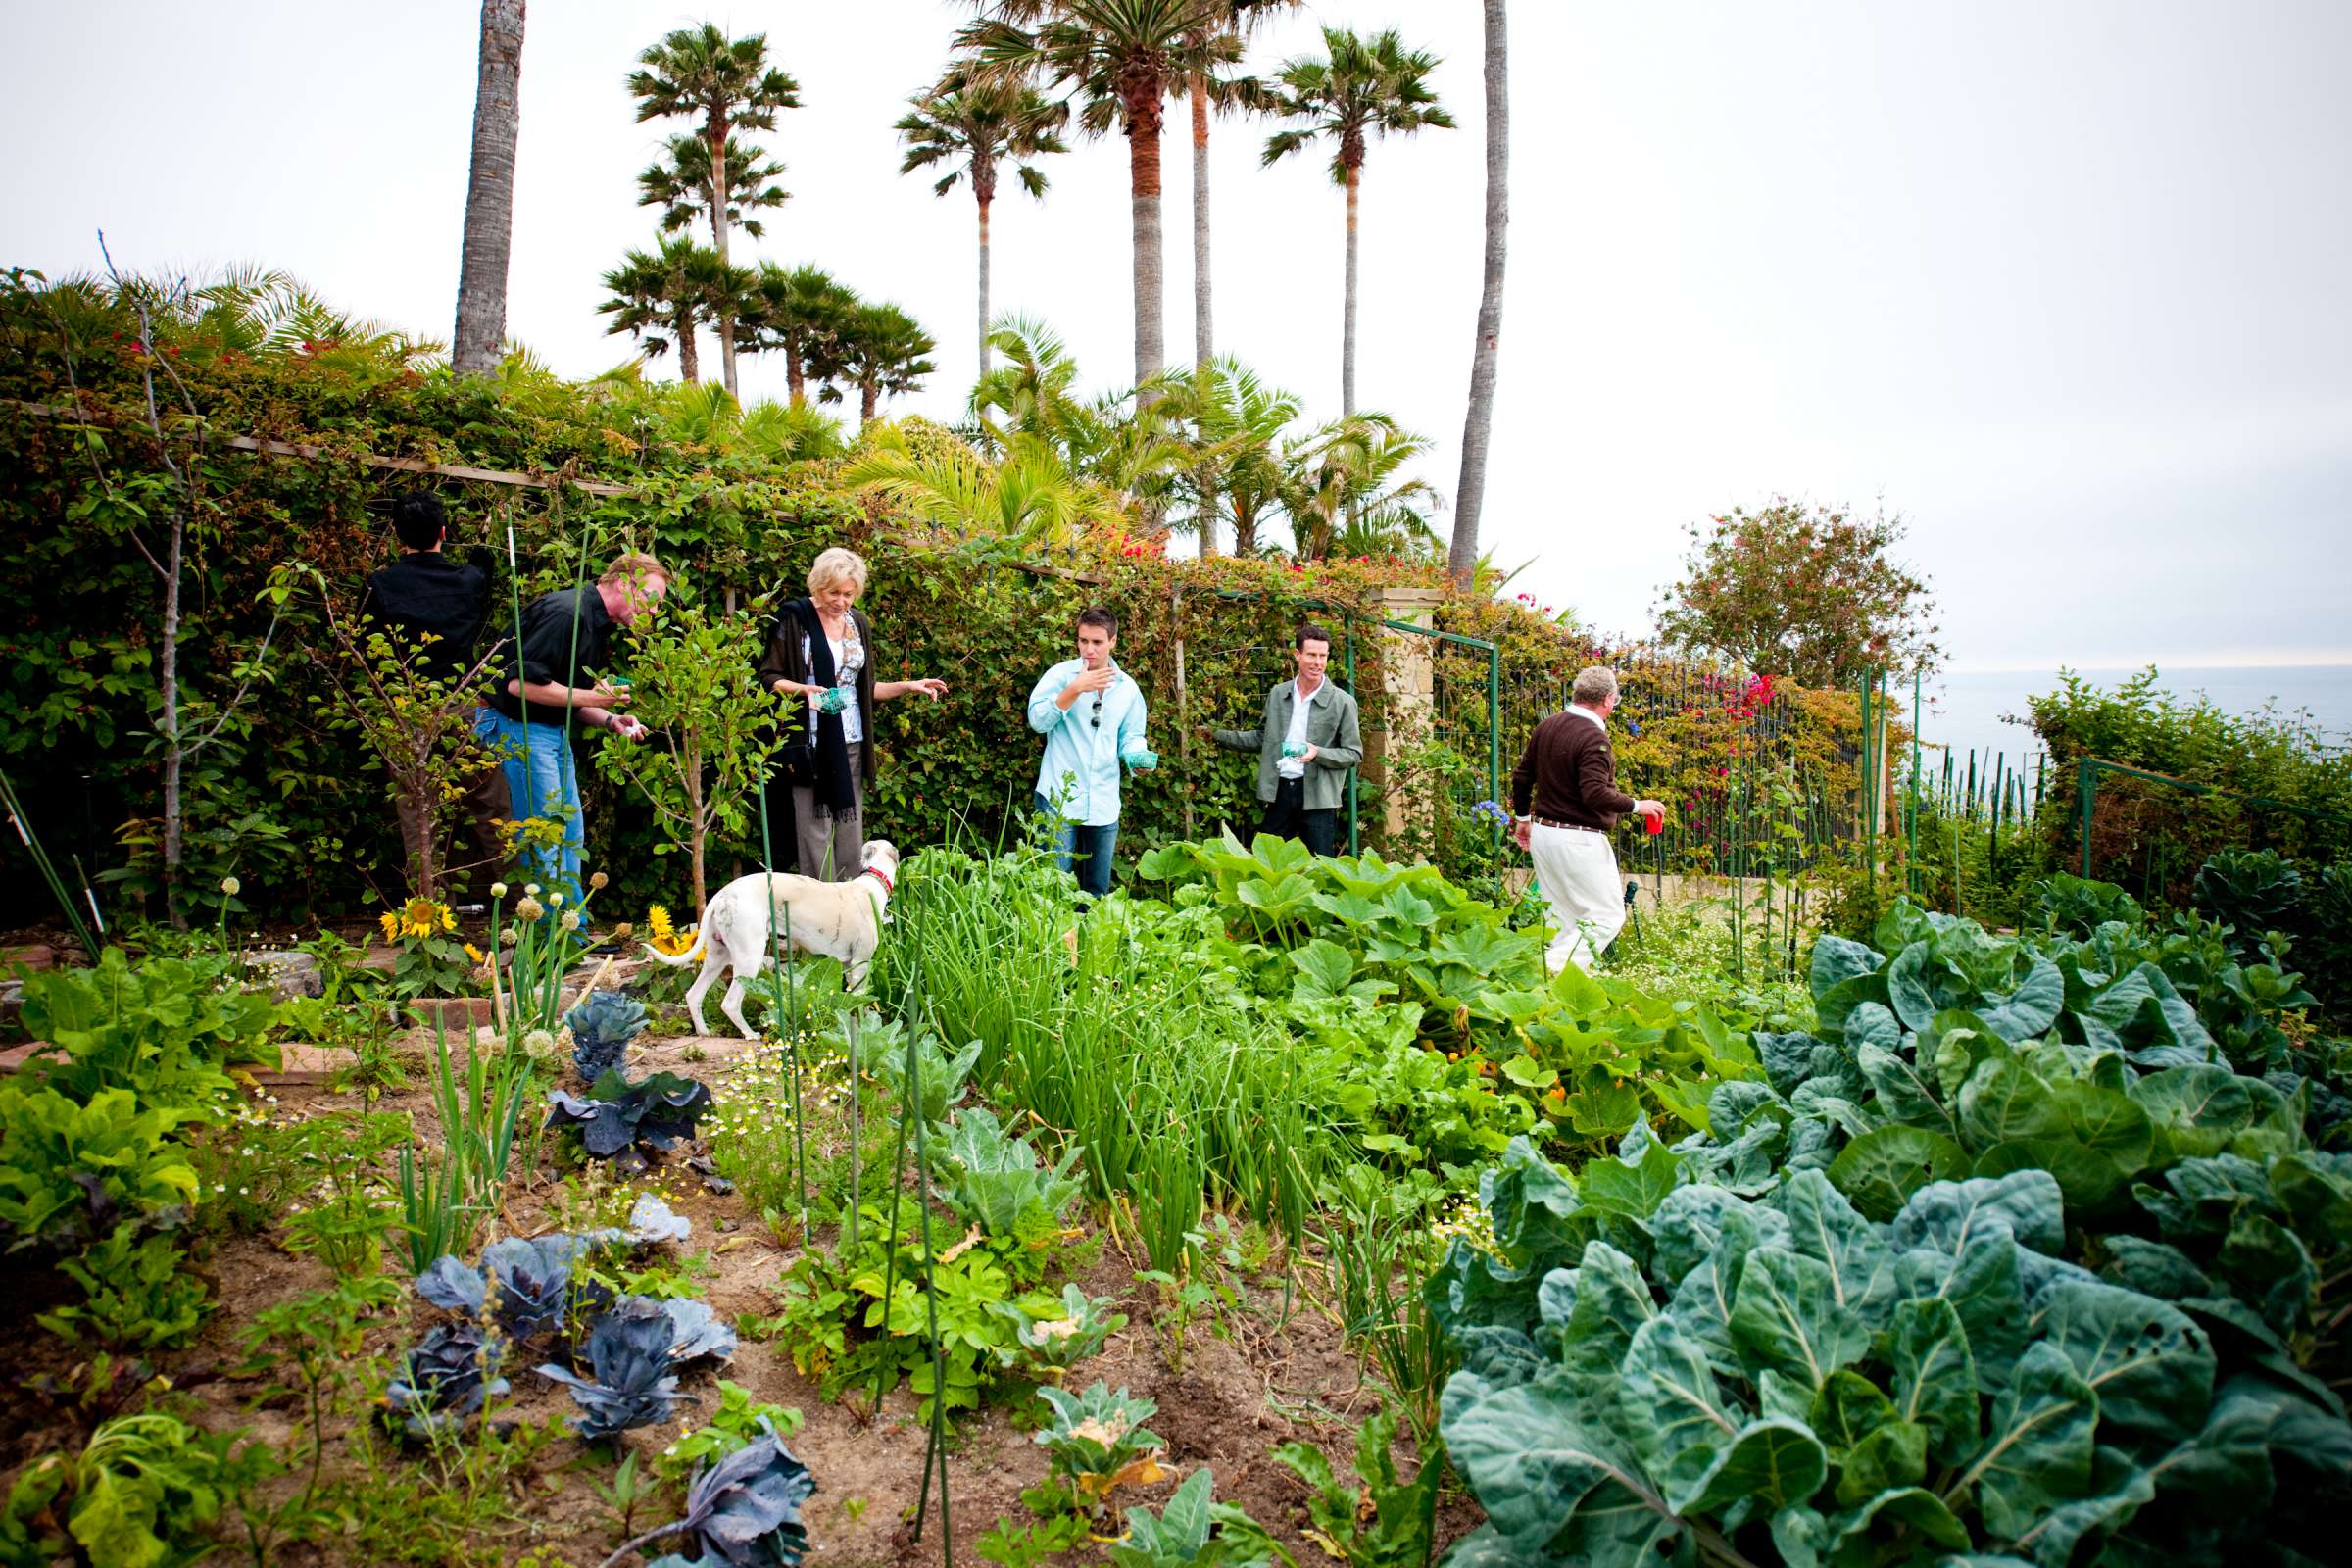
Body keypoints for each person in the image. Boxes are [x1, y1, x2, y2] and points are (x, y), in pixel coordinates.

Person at [481, 551, 667, 903]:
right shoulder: (567, 614)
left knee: (570, 837)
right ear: (624, 583)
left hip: (551, 731)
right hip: (520, 728)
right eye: (651, 600)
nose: (654, 612)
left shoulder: (596, 624)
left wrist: (610, 719)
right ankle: (546, 941)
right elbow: (519, 686)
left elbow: (568, 696)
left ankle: (570, 934)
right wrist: (597, 699)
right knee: (545, 837)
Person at [757, 547, 948, 880]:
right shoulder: (795, 618)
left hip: (851, 739)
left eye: (848, 594)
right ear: (818, 586)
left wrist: (910, 685)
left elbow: (864, 689)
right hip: (809, 740)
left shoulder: (857, 622)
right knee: (814, 830)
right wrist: (804, 690)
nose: (841, 601)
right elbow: (768, 677)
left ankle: (847, 906)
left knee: (850, 825)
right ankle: (816, 908)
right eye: (834, 593)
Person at [357, 491, 510, 897]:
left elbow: (366, 647)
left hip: (407, 707)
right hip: (462, 704)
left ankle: (430, 905)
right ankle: (516, 898)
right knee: (491, 801)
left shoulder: (381, 585)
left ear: (396, 536)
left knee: (418, 809)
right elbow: (484, 563)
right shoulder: (469, 580)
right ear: (444, 532)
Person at [1508, 665, 1666, 973]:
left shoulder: (1547, 727)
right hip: (1578, 840)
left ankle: (1556, 998)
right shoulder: (1594, 739)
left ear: (1578, 694)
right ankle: (1548, 974)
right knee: (1607, 916)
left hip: (1544, 834)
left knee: (1563, 919)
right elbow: (1594, 794)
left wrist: (1523, 819)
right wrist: (1638, 805)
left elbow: (1522, 777)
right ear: (1608, 699)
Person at [1026, 606, 1154, 899]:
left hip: (1104, 800)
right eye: (1083, 641)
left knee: (1095, 892)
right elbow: (1037, 722)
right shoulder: (1060, 676)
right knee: (1052, 889)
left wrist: (1137, 760)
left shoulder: (1127, 689)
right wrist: (1074, 690)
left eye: (1097, 642)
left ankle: (1089, 943)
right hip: (1058, 798)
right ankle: (1052, 944)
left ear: (1113, 641)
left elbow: (1132, 736)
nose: (1088, 649)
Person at [1212, 623, 1362, 856]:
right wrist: (1216, 736)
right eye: (1312, 655)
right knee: (1267, 863)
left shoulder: (1342, 702)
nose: (1318, 662)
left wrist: (1318, 753)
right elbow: (1263, 738)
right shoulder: (1278, 694)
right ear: (1297, 655)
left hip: (1318, 798)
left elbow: (1353, 753)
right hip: (1279, 791)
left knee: (1321, 868)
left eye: (1323, 656)